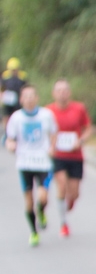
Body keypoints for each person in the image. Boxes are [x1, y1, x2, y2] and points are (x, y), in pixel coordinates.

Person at [4, 83, 57, 247]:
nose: (28, 100)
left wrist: (52, 147)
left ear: (37, 98)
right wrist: (10, 145)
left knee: (43, 197)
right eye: (25, 97)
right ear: (21, 100)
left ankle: (41, 211)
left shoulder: (46, 115)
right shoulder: (16, 118)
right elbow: (9, 138)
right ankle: (34, 232)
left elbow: (54, 132)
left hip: (43, 162)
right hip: (24, 162)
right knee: (28, 201)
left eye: (31, 96)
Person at [48, 80, 90, 238]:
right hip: (58, 155)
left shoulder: (79, 108)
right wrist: (49, 146)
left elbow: (88, 128)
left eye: (65, 90)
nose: (62, 93)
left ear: (69, 93)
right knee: (62, 184)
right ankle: (63, 223)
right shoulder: (48, 111)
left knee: (74, 193)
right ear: (54, 94)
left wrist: (81, 140)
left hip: (75, 155)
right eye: (59, 90)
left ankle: (70, 202)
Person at [1, 58, 26, 126]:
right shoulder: (5, 76)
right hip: (8, 100)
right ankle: (6, 130)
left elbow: (25, 88)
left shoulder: (22, 76)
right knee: (6, 115)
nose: (14, 71)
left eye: (15, 69)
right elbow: (2, 87)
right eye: (12, 70)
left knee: (18, 115)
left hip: (18, 100)